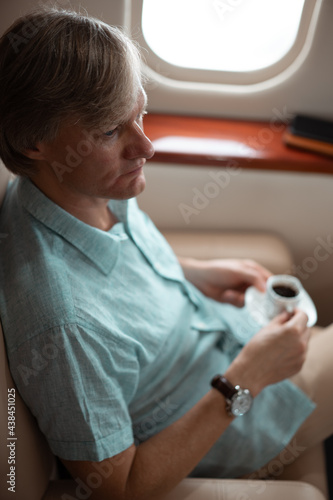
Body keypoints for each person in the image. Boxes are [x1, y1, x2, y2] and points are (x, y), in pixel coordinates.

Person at [0, 8, 332, 500]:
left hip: (226, 337)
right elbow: (121, 488)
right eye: (112, 132)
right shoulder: (64, 328)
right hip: (235, 414)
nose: (147, 146)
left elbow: (114, 280)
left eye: (142, 114)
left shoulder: (80, 187)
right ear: (37, 144)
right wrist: (247, 378)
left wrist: (187, 272)